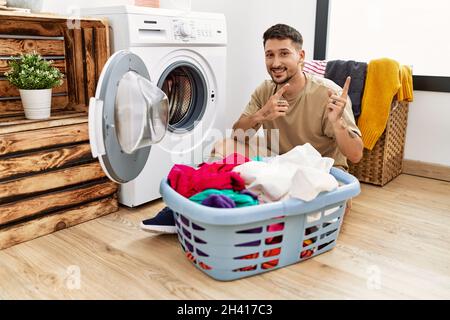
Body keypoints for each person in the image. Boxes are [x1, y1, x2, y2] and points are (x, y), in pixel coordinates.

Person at [141, 23, 363, 234]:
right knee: (224, 146)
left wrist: (337, 123)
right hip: (277, 160)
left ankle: (243, 215)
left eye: (284, 53)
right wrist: (262, 114)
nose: (276, 62)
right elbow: (238, 134)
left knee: (321, 212)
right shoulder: (265, 90)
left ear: (301, 56)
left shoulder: (327, 94)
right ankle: (192, 207)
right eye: (270, 55)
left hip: (319, 170)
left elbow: (355, 154)